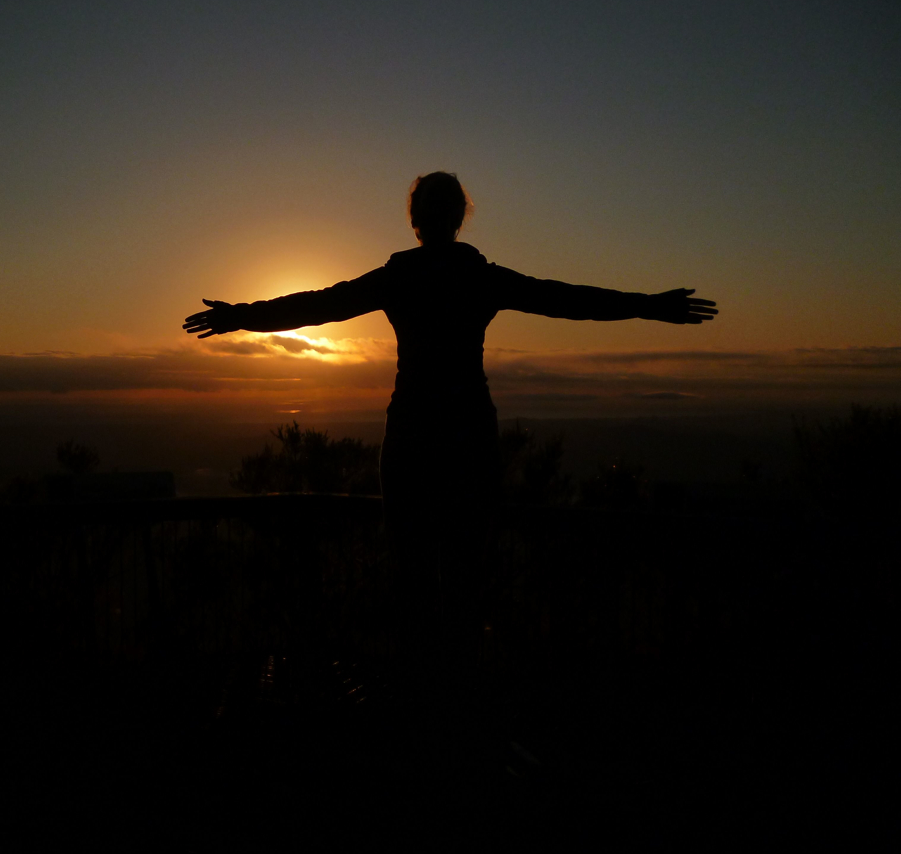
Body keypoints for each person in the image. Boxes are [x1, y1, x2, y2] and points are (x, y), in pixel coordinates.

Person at [182, 172, 717, 679]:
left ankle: (421, 705)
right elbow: (567, 299)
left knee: (413, 580)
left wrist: (241, 316)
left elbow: (320, 305)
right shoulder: (477, 279)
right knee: (464, 581)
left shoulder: (401, 278)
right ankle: (459, 704)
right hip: (466, 434)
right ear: (460, 218)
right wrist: (649, 306)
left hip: (413, 434)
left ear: (415, 218)